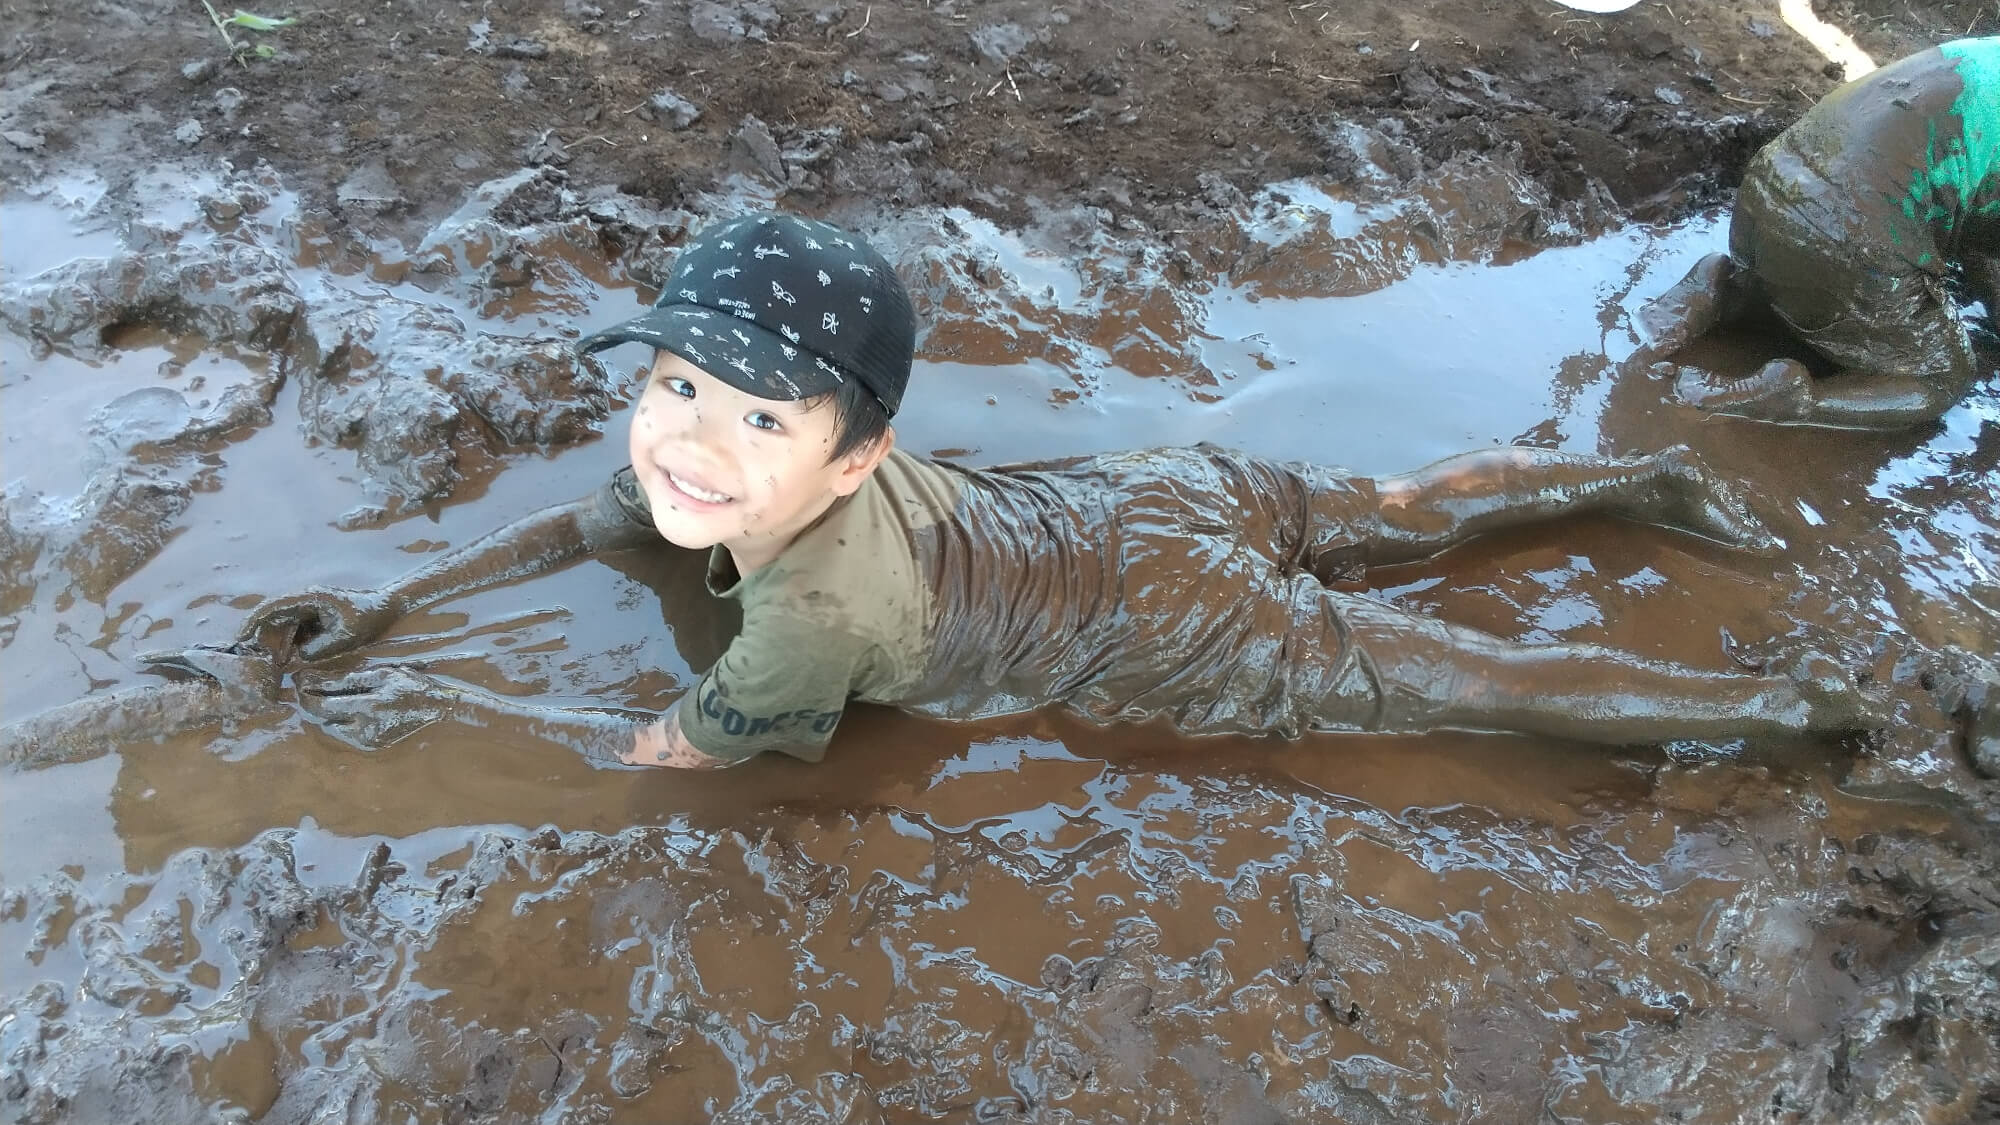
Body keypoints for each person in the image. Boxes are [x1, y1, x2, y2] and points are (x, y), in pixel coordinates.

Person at [244, 213, 1883, 770]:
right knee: (1395, 513)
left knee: (1457, 685)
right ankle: (1650, 475)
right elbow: (577, 524)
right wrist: (390, 607)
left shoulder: (805, 620)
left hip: (1154, 621)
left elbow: (692, 750)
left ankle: (1774, 709)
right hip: (1160, 497)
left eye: (754, 417)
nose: (686, 444)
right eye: (673, 386)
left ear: (859, 457)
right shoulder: (675, 485)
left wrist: (639, 744)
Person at [1637, 37, 1998, 429]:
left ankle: (1728, 289)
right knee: (1944, 374)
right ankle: (1798, 398)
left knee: (1807, 290)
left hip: (1768, 187)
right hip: (1848, 233)